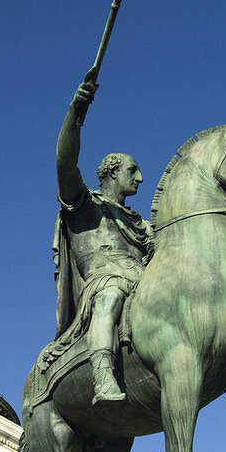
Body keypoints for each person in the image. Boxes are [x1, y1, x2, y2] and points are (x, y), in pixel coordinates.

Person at [45, 70, 152, 405]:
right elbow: (64, 162)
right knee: (110, 294)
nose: (141, 178)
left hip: (142, 280)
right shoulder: (83, 205)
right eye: (132, 171)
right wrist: (75, 114)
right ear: (111, 172)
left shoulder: (138, 222)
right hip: (104, 280)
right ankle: (103, 375)